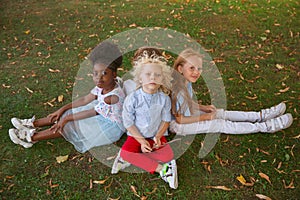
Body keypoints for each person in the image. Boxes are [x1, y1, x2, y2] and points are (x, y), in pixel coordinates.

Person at [9, 42, 126, 153]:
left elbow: (91, 113)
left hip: (109, 125)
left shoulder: (111, 97)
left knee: (70, 124)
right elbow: (85, 100)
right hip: (100, 113)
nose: (99, 78)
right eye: (95, 73)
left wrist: (66, 119)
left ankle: (31, 138)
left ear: (114, 74)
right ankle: (33, 124)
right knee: (69, 112)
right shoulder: (104, 85)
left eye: (104, 73)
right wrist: (62, 109)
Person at [169, 48, 293, 135]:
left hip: (186, 115)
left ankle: (260, 116)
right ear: (180, 69)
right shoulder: (178, 90)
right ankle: (265, 127)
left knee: (219, 113)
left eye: (199, 68)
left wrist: (204, 108)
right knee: (218, 124)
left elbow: (187, 103)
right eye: (192, 68)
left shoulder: (186, 81)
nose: (197, 72)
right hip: (177, 124)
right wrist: (205, 117)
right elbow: (180, 119)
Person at [118, 50, 178, 189]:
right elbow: (128, 122)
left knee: (168, 156)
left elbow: (166, 119)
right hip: (136, 135)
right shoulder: (133, 98)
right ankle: (163, 170)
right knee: (126, 153)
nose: (153, 77)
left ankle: (139, 155)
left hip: (155, 135)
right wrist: (141, 140)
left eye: (157, 75)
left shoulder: (164, 98)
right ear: (140, 78)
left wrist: (158, 136)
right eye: (148, 74)